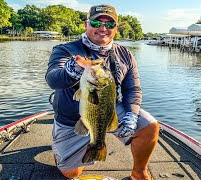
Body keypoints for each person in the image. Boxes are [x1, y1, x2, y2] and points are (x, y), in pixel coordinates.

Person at [45, 4, 159, 180]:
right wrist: (73, 67)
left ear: (116, 28)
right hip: (70, 119)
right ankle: (61, 150)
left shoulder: (125, 55)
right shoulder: (65, 50)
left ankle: (139, 173)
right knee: (71, 173)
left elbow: (133, 89)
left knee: (149, 127)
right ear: (86, 24)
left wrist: (132, 116)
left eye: (110, 24)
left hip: (109, 112)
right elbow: (54, 80)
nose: (103, 28)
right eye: (96, 23)